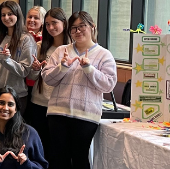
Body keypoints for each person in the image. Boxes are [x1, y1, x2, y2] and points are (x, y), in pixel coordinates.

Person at [41, 11, 117, 169]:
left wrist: (89, 69)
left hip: (86, 116)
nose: (77, 31)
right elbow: (47, 78)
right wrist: (63, 67)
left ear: (92, 27)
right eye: (73, 28)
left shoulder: (104, 55)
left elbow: (109, 84)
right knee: (58, 158)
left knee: (80, 159)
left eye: (82, 26)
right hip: (58, 113)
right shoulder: (61, 51)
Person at [25, 8, 69, 162]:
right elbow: (31, 77)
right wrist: (36, 70)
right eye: (47, 24)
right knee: (40, 146)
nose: (51, 27)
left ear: (64, 23)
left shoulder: (72, 48)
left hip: (61, 105)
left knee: (58, 149)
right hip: (39, 102)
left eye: (54, 23)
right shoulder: (40, 46)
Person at [0, 1, 36, 115]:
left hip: (16, 95)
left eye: (10, 14)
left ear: (17, 15)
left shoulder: (26, 39)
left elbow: (25, 71)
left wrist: (6, 60)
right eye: (3, 15)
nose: (6, 18)